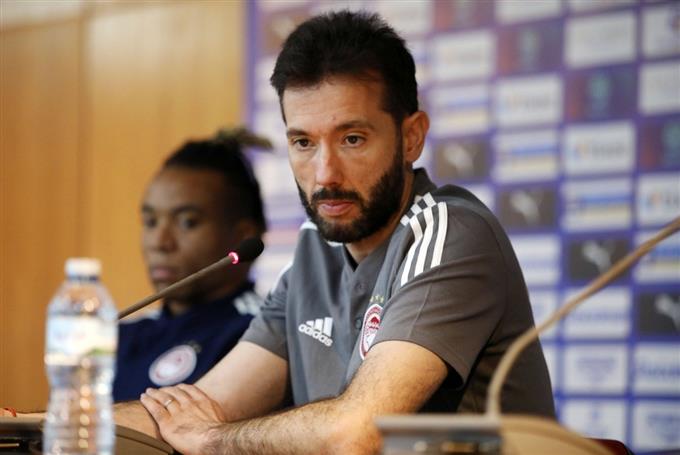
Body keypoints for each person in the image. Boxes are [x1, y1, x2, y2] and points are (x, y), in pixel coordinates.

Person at [117, 10, 554, 454]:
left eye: (352, 139)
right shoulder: (315, 250)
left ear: (411, 138)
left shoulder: (448, 232)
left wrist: (212, 439)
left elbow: (358, 434)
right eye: (303, 143)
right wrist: (74, 426)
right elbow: (200, 407)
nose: (325, 174)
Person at [113, 127, 270, 402]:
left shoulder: (262, 333)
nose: (160, 242)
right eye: (150, 222)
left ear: (243, 236)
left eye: (187, 222)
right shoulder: (122, 334)